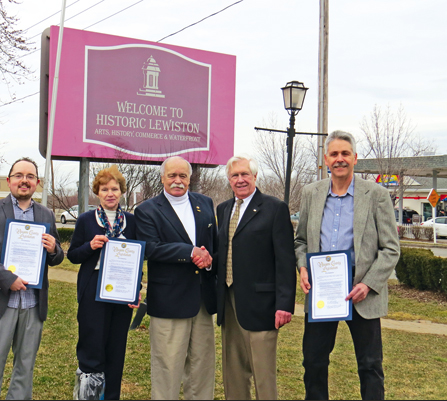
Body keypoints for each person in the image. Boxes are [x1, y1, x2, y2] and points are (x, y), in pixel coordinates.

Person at [295, 130, 400, 400]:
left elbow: (390, 249)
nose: (339, 159)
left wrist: (368, 284)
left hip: (361, 289)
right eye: (334, 154)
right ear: (326, 159)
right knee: (313, 362)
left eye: (345, 153)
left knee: (370, 365)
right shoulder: (311, 193)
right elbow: (301, 241)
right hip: (322, 290)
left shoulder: (376, 195)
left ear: (355, 158)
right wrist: (303, 267)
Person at [0, 157, 64, 400]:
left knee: (26, 364)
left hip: (32, 303)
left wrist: (54, 248)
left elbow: (56, 257)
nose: (24, 180)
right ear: (9, 180)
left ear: (37, 183)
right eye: (19, 175)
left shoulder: (46, 214)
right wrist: (8, 279)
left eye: (30, 176)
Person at [135, 156, 217, 400]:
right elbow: (151, 248)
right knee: (167, 369)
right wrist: (190, 252)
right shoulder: (147, 210)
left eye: (183, 176)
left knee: (202, 368)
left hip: (202, 300)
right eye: (172, 175)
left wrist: (209, 260)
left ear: (190, 179)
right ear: (162, 178)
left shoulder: (205, 203)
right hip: (169, 301)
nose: (177, 181)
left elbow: (213, 245)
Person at [215, 155, 296, 400]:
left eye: (245, 174)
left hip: (262, 305)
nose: (240, 180)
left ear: (255, 176)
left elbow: (285, 260)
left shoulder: (274, 208)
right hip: (229, 300)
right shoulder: (223, 209)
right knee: (233, 371)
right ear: (229, 179)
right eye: (234, 175)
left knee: (263, 374)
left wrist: (285, 304)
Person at [67, 165, 140, 400]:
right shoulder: (86, 220)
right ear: (97, 192)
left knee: (116, 349)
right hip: (93, 287)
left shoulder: (132, 222)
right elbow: (73, 255)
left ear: (122, 192)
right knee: (92, 346)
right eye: (105, 189)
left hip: (122, 289)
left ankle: (111, 396)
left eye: (115, 189)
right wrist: (90, 246)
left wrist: (136, 290)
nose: (110, 193)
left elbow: (138, 259)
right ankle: (88, 396)